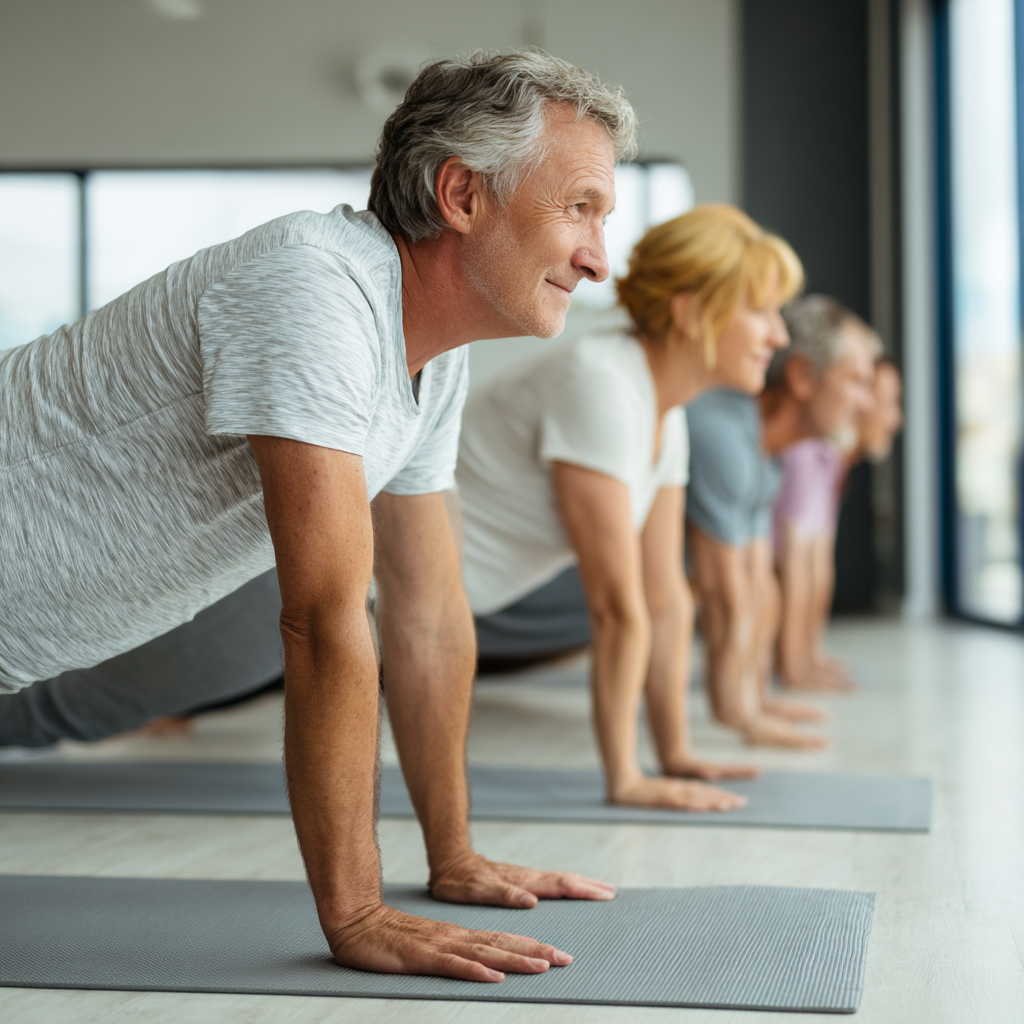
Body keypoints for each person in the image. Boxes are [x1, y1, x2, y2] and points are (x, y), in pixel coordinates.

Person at [0, 51, 637, 982]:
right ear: (462, 193)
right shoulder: (315, 285)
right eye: (578, 207)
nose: (597, 257)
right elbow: (325, 619)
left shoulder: (434, 356)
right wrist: (357, 912)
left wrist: (452, 856)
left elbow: (425, 612)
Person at [455, 205, 803, 812]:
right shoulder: (603, 383)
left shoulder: (664, 406)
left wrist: (676, 755)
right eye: (759, 310)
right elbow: (617, 608)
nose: (779, 335)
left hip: (467, 606)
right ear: (691, 313)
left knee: (670, 590)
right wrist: (627, 778)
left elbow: (664, 596)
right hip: (350, 592)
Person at [685, 293, 879, 748]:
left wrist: (757, 699)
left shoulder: (766, 459)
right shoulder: (725, 437)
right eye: (856, 381)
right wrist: (742, 718)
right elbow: (723, 595)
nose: (866, 404)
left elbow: (757, 585)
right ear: (801, 377)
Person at [774, 350, 903, 691]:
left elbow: (818, 563)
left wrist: (809, 656)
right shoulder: (809, 455)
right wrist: (794, 667)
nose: (895, 419)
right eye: (886, 403)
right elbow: (793, 564)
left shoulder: (834, 463)